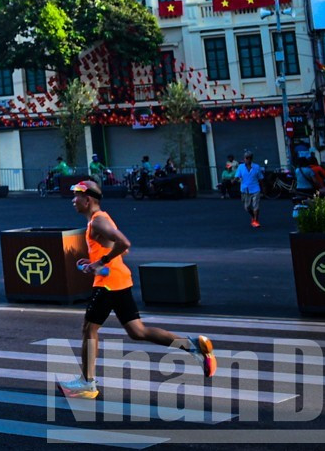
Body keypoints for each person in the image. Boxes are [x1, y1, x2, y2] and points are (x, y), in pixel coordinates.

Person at [58, 180, 215, 399]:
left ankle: (87, 382)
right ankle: (192, 345)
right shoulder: (100, 220)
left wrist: (100, 262)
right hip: (119, 281)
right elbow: (119, 250)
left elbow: (124, 243)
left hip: (108, 285)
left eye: (76, 196)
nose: (73, 200)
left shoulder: (97, 222)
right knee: (137, 331)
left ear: (88, 199)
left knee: (89, 329)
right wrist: (94, 260)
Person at [235, 153, 264, 228]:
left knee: (256, 206)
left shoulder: (256, 167)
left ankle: (256, 221)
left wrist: (263, 188)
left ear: (251, 159)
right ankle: (253, 217)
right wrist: (234, 180)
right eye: (246, 158)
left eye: (249, 158)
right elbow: (237, 176)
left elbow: (260, 178)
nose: (248, 159)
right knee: (247, 207)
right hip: (245, 190)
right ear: (244, 159)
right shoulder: (241, 167)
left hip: (255, 189)